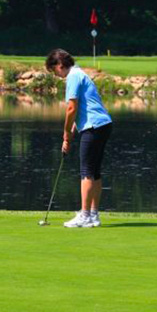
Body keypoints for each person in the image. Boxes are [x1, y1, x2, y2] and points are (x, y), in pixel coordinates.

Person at [46, 49, 113, 227]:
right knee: (95, 172)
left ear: (60, 65)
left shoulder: (73, 76)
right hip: (103, 124)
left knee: (86, 172)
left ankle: (84, 216)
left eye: (55, 71)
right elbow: (82, 108)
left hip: (93, 126)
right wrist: (71, 134)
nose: (57, 75)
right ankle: (93, 215)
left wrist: (66, 133)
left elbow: (71, 108)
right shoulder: (80, 73)